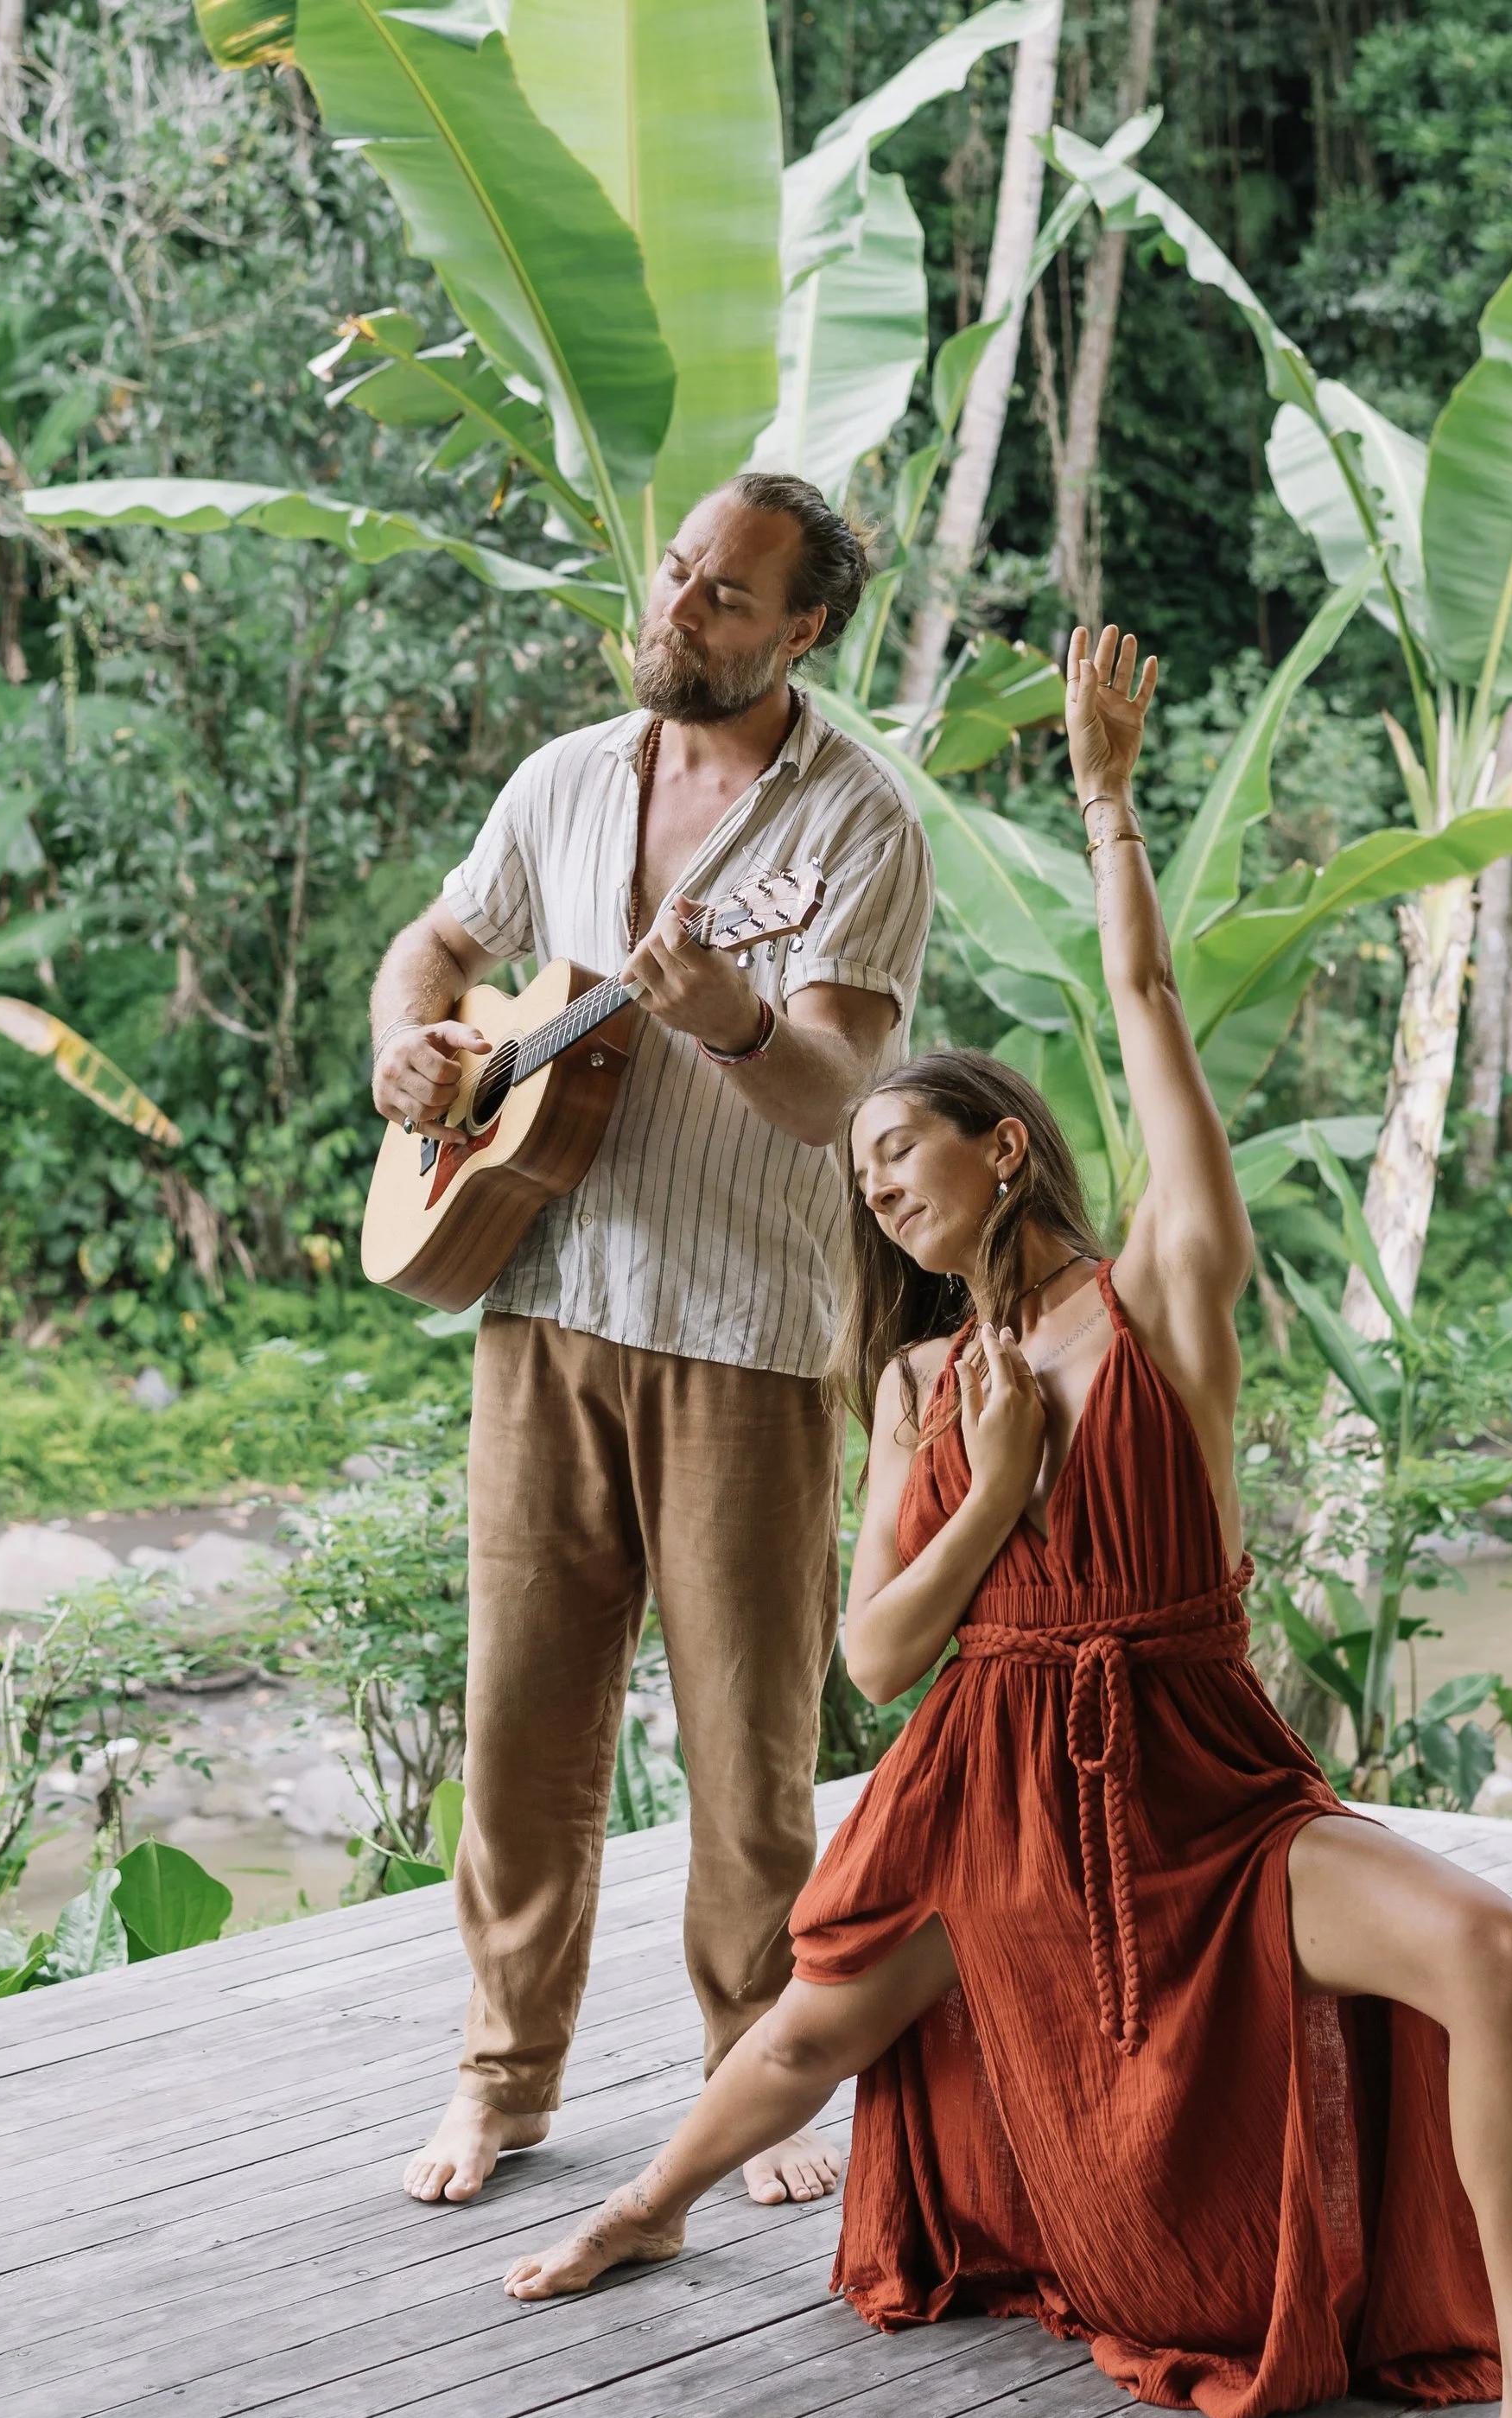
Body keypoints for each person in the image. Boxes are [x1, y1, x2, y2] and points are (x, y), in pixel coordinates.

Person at [499, 622, 1512, 2418]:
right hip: (993, 1776)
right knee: (813, 2026)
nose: (874, 1183)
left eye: (900, 1150)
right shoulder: (909, 1381)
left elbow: (1144, 1006)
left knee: (1491, 1950)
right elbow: (880, 1662)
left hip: (1195, 1775)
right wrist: (990, 1494)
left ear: (999, 1148)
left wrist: (1108, 802)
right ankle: (646, 2211)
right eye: (858, 1172)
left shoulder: (1160, 1308)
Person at [372, 474, 935, 2211]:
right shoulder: (559, 780)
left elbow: (833, 1088)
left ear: (802, 630)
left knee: (745, 1750)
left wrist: (737, 1019)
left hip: (744, 1333)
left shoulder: (856, 825)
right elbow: (443, 944)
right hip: (538, 1298)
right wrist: (409, 1046)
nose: (677, 610)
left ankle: (747, 2077)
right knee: (519, 1730)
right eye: (676, 574)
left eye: (721, 596)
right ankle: (499, 2078)